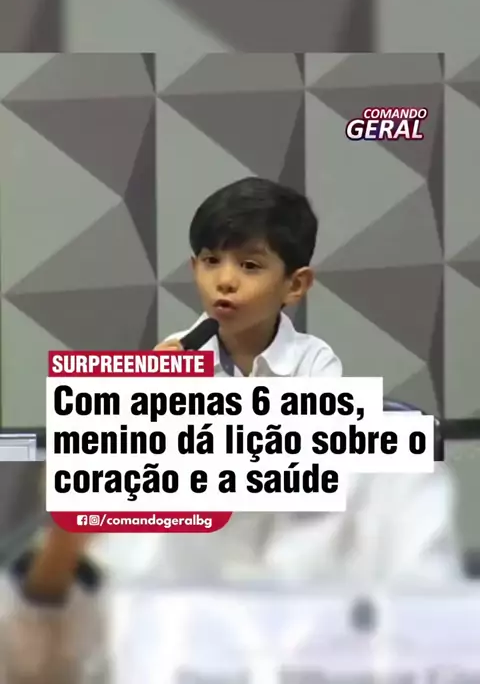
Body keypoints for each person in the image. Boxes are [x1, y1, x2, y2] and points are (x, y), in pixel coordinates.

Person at [0, 178, 460, 683]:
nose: (224, 281)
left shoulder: (315, 365)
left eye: (249, 266)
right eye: (210, 261)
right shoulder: (178, 355)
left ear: (295, 285)